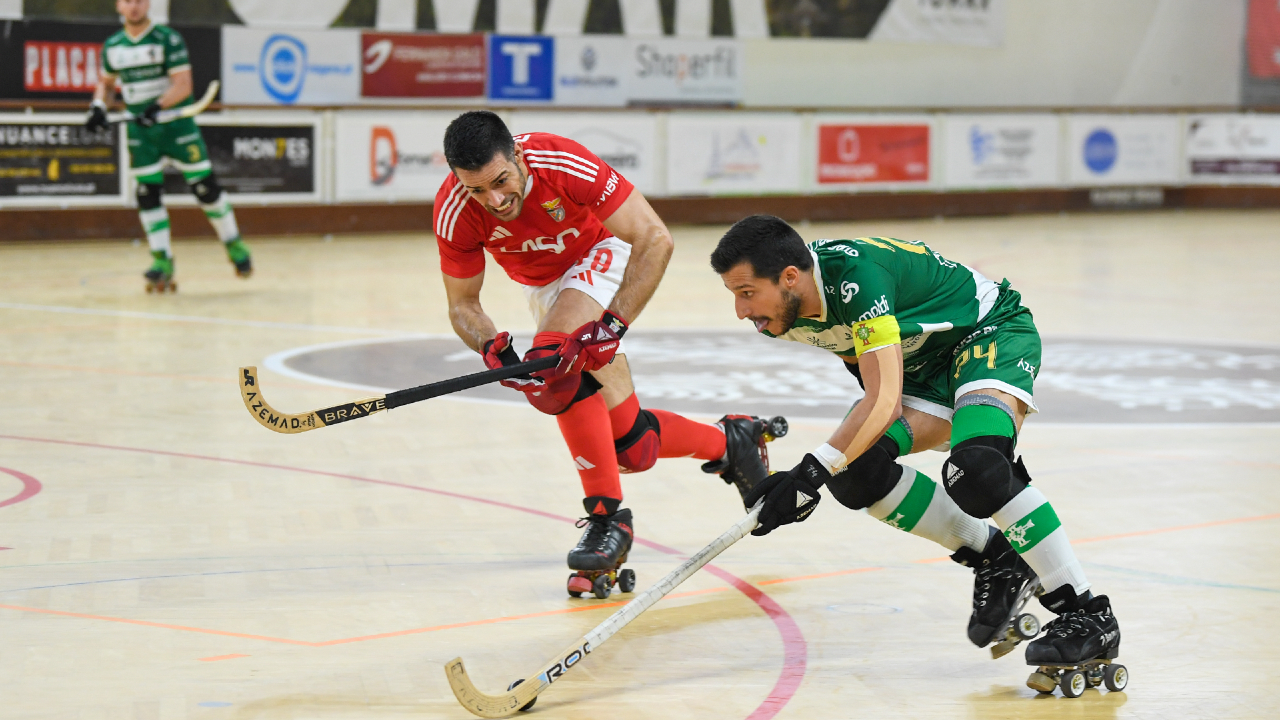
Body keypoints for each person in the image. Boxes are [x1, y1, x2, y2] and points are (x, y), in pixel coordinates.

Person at [711, 215, 1121, 683]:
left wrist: (807, 475)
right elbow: (867, 374)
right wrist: (823, 471)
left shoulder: (855, 280)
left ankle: (1088, 613)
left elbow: (883, 400)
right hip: (922, 366)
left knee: (978, 471)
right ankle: (995, 556)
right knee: (856, 471)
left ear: (789, 277)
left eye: (746, 292)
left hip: (987, 333)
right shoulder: (781, 314)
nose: (742, 312)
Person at [434, 111, 779, 598]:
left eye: (501, 181)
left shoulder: (560, 163)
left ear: (517, 155)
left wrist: (612, 326)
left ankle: (607, 522)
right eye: (477, 191)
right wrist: (489, 346)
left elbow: (655, 237)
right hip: (549, 290)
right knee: (632, 448)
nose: (494, 201)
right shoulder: (454, 209)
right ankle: (732, 442)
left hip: (605, 250)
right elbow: (463, 305)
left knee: (554, 369)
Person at [86, 0, 251, 293]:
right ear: (118, 6)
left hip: (176, 126)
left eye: (139, 0)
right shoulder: (113, 46)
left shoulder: (167, 39)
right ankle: (162, 260)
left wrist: (157, 106)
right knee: (147, 193)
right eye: (127, 1)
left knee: (205, 189)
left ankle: (234, 244)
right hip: (142, 132)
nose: (133, 7)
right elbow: (108, 84)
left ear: (147, 4)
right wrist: (99, 106)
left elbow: (183, 85)